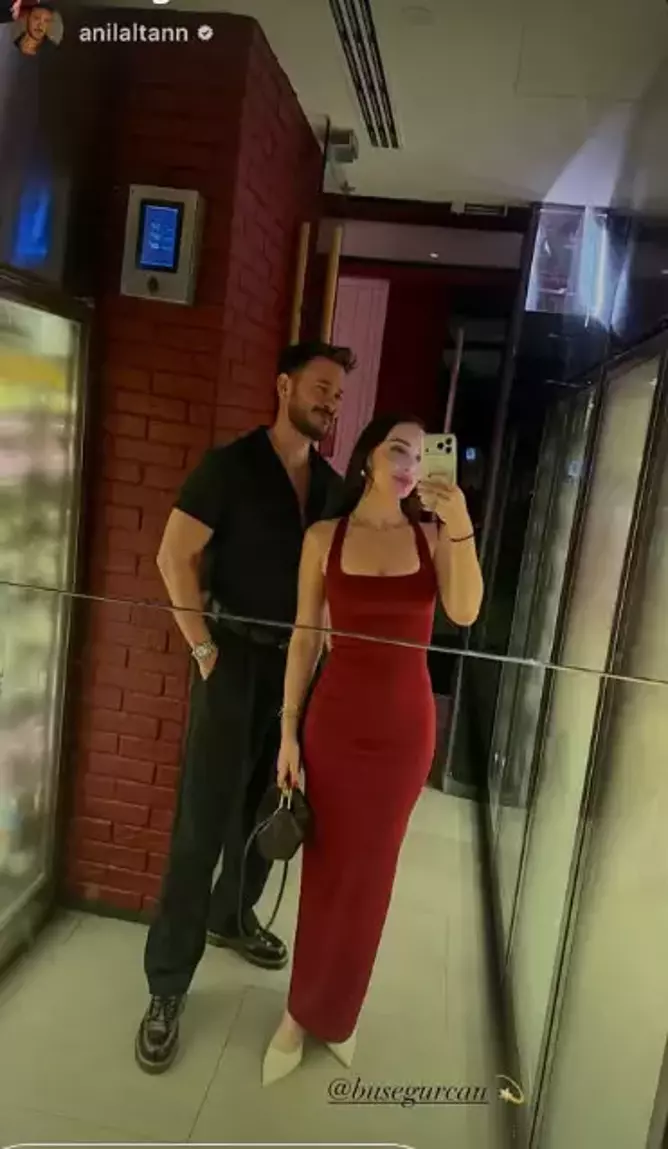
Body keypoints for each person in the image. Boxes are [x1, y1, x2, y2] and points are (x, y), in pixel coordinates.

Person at [135, 341, 356, 1074]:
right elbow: (173, 556)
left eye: (338, 394)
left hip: (296, 672)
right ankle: (167, 985)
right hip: (230, 659)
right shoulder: (228, 467)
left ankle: (233, 917)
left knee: (270, 808)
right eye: (321, 386)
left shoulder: (332, 488)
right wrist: (201, 647)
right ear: (284, 385)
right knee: (203, 820)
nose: (330, 401)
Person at [262, 414, 483, 1085]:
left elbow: (465, 611)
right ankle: (299, 1011)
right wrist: (287, 731)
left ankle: (340, 1012)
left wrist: (460, 523)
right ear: (368, 458)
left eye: (421, 454)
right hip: (333, 725)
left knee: (373, 877)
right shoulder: (323, 538)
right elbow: (305, 637)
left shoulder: (433, 536)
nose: (410, 464)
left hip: (404, 732)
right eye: (398, 450)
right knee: (327, 869)